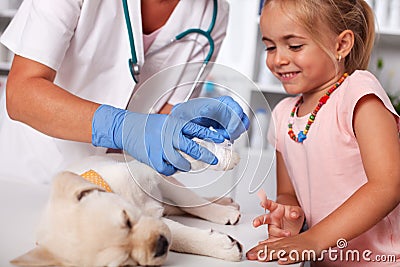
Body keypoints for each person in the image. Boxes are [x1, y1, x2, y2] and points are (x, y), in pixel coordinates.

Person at [0, 0, 249, 183]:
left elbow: (158, 119)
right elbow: (21, 93)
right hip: (27, 171)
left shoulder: (213, 14)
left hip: (102, 184)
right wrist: (120, 127)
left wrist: (190, 122)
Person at [246, 0, 400, 266]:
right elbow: (288, 194)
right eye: (270, 46)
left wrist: (312, 240)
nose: (278, 59)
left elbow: (388, 186)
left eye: (294, 46)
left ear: (341, 45)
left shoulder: (358, 93)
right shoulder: (283, 115)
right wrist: (289, 217)